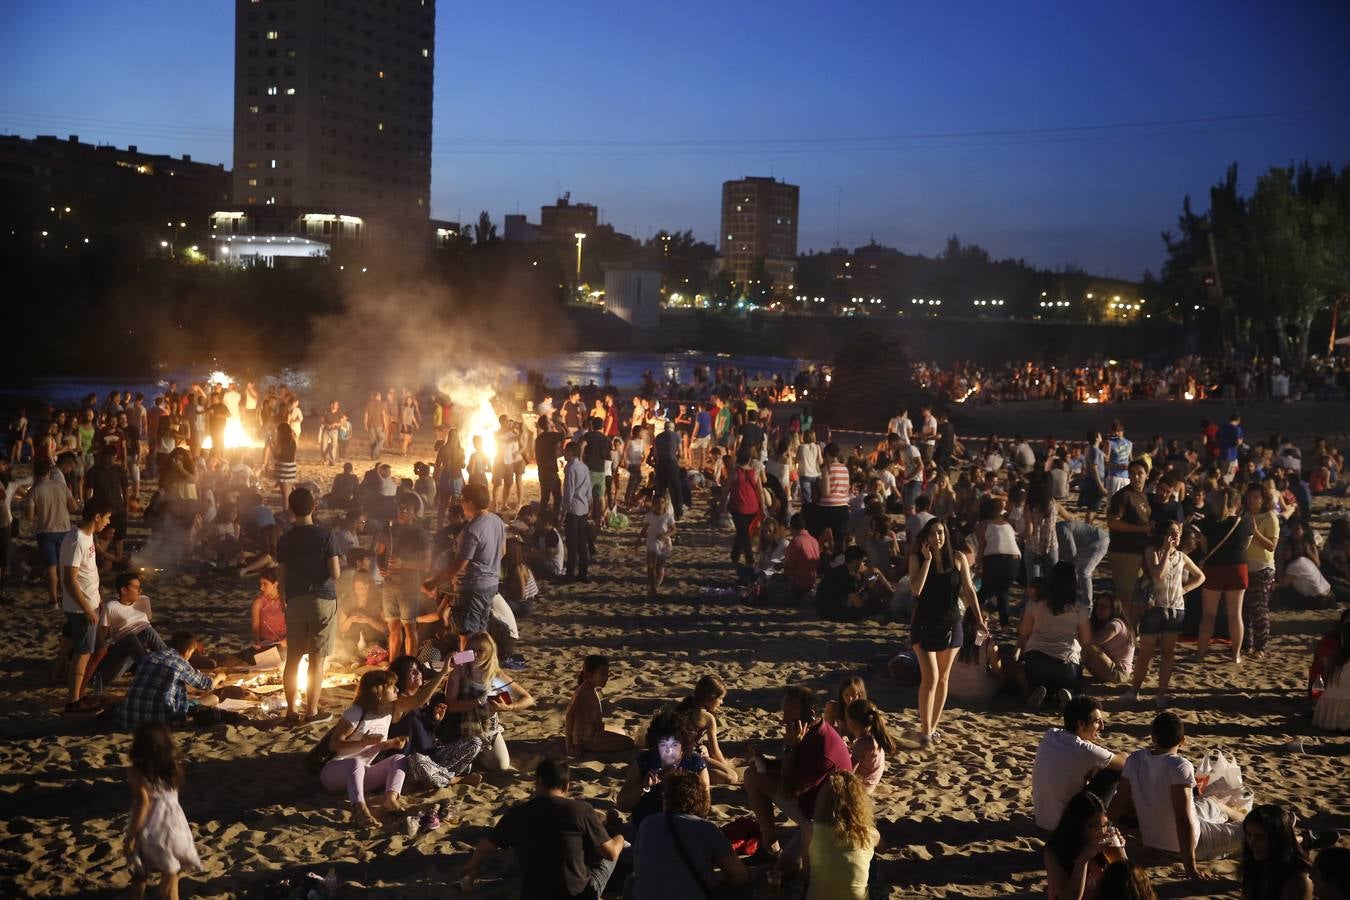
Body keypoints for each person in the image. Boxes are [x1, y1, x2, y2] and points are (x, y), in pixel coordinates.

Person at [458, 759, 624, 898]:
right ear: (566, 787)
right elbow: (610, 853)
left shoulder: (518, 813)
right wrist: (620, 839)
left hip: (534, 894)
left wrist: (473, 866)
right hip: (578, 895)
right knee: (607, 856)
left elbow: (484, 848)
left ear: (537, 783)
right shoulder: (581, 810)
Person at [1107, 712, 1245, 878]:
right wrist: (1190, 867)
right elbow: (1183, 819)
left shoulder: (1135, 759)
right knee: (1254, 829)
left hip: (1154, 840)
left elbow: (1119, 802)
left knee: (1210, 801)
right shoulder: (1179, 766)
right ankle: (1244, 821)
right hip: (1188, 844)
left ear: (1153, 737)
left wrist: (1104, 833)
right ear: (1183, 741)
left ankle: (1241, 816)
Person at [322, 665, 444, 827]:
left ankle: (391, 799)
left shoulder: (389, 711)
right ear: (378, 692)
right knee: (355, 763)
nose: (396, 689)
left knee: (400, 759)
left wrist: (390, 744)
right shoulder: (356, 712)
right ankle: (360, 810)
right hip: (334, 774)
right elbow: (334, 744)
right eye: (391, 686)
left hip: (362, 773)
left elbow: (419, 699)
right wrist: (363, 742)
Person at [741, 685, 853, 860]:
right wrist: (768, 764)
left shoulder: (823, 749)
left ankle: (770, 848)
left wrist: (788, 749)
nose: (784, 719)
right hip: (811, 801)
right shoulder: (813, 731)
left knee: (752, 778)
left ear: (810, 715)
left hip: (823, 820)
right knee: (754, 772)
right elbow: (795, 767)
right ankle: (770, 846)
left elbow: (789, 791)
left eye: (789, 714)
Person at [908, 518, 984, 745]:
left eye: (940, 533)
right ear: (925, 537)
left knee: (942, 679)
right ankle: (924, 730)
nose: (937, 538)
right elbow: (916, 590)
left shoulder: (959, 559)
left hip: (952, 624)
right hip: (923, 625)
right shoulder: (917, 558)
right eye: (932, 534)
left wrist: (979, 619)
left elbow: (970, 591)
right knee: (929, 677)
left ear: (946, 535)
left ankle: (932, 728)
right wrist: (928, 560)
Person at [275, 487, 342, 723]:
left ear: (291, 509)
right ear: (314, 507)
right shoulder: (325, 535)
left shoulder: (284, 539)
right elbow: (335, 573)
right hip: (321, 600)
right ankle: (312, 711)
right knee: (316, 658)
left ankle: (291, 711)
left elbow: (281, 577)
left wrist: (284, 602)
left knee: (293, 657)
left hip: (294, 601)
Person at [1122, 520, 1205, 709]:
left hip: (1175, 609)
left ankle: (1160, 694)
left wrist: (1185, 589)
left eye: (1178, 533)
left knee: (1168, 653)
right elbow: (1158, 575)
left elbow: (1200, 576)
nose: (1176, 536)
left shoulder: (1182, 557)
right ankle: (1134, 691)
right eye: (1172, 532)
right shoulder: (1153, 552)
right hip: (1154, 608)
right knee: (1146, 653)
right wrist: (1167, 551)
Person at [631, 769, 751, 900]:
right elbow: (739, 876)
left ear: (666, 798)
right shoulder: (706, 829)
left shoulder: (648, 823)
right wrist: (717, 877)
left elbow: (639, 868)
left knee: (629, 883)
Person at [123, 722, 202, 900]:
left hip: (152, 828)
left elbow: (144, 803)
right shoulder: (173, 767)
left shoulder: (137, 772)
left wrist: (132, 835)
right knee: (171, 877)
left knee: (140, 875)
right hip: (175, 827)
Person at [424, 483, 505, 652]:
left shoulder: (472, 529)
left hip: (471, 589)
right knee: (480, 633)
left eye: (463, 500)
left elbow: (459, 565)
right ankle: (480, 668)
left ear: (470, 503)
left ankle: (465, 668)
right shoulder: (496, 521)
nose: (461, 504)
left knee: (466, 636)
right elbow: (503, 551)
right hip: (490, 585)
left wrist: (434, 583)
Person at [442, 631, 534, 771]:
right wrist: (477, 702)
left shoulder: (495, 675)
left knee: (501, 765)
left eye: (481, 651)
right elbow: (451, 706)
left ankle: (479, 756)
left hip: (489, 728)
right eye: (471, 650)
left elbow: (528, 699)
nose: (476, 654)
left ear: (490, 653)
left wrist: (509, 707)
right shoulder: (460, 672)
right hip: (464, 728)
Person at [1032, 697, 1127, 831]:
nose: (1102, 726)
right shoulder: (1085, 750)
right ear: (1081, 724)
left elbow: (1085, 747)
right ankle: (1108, 821)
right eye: (1097, 722)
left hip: (1043, 821)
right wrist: (1119, 755)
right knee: (1114, 771)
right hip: (1067, 828)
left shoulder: (1051, 734)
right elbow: (1125, 763)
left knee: (1103, 765)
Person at [60, 499, 115, 712]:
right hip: (80, 609)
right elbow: (69, 580)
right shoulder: (76, 540)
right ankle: (73, 701)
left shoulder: (87, 536)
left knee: (99, 649)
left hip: (90, 604)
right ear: (97, 517)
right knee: (82, 653)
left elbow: (88, 570)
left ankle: (80, 694)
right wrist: (87, 608)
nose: (108, 522)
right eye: (107, 518)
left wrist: (97, 599)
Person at [617, 707, 712, 830]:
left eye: (674, 745)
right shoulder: (646, 761)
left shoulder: (694, 764)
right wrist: (643, 786)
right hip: (647, 827)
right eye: (663, 744)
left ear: (684, 744)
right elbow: (622, 805)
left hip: (683, 828)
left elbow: (705, 808)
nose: (668, 750)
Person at [108, 632, 226, 729]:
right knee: (213, 699)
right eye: (191, 653)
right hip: (160, 721)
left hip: (129, 718)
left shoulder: (150, 657)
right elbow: (206, 684)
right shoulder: (180, 663)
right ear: (187, 651)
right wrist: (220, 676)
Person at [1019, 562, 1093, 709]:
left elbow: (1024, 631)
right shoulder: (1079, 608)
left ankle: (1037, 691)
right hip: (1065, 663)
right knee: (1076, 686)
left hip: (1036, 661)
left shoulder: (1035, 603)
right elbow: (1087, 639)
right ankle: (1067, 693)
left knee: (1036, 682)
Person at [801, 770, 879, 900]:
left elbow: (806, 872)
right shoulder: (870, 833)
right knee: (871, 854)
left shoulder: (809, 829)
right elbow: (884, 847)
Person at [1197, 485, 1253, 664]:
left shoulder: (1208, 521)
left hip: (1214, 568)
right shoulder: (1245, 521)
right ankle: (1235, 655)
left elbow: (1204, 547)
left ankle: (1200, 654)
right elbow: (1246, 546)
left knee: (1208, 614)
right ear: (1237, 503)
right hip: (1237, 567)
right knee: (1235, 614)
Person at [376, 495, 431, 659]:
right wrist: (381, 567)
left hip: (409, 586)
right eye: (401, 507)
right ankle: (393, 664)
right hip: (389, 585)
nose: (403, 511)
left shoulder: (419, 534)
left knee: (409, 626)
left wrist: (403, 563)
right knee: (393, 626)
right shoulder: (388, 531)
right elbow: (379, 552)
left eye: (407, 509)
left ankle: (410, 664)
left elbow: (425, 562)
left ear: (414, 513)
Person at [1044, 791, 1125, 900]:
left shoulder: (1103, 848)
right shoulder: (1054, 851)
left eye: (1104, 825)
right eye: (1092, 825)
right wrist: (1082, 861)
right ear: (1077, 826)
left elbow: (1126, 880)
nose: (1101, 831)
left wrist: (1121, 850)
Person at [1106, 461, 1152, 634]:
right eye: (1132, 473)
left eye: (1140, 473)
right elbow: (1112, 522)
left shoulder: (1143, 496)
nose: (1136, 476)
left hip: (1140, 552)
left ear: (1147, 475)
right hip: (1123, 551)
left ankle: (1133, 630)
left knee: (1137, 596)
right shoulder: (1123, 496)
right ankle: (1127, 634)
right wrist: (1141, 529)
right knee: (1126, 597)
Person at [26, 458, 78, 608]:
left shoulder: (34, 490)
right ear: (49, 472)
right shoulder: (61, 486)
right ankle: (69, 596)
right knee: (65, 565)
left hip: (46, 531)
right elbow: (73, 507)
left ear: (35, 473)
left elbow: (29, 516)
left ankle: (53, 600)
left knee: (51, 567)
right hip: (64, 530)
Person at [675, 674, 740, 786]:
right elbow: (715, 751)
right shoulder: (707, 718)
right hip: (690, 758)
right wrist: (726, 765)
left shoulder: (683, 708)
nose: (721, 702)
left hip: (672, 756)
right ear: (712, 697)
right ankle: (692, 774)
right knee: (732, 777)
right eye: (720, 698)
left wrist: (702, 747)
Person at [563, 654, 634, 756]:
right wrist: (569, 746)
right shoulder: (583, 692)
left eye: (607, 674)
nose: (606, 678)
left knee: (621, 731)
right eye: (602, 674)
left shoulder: (591, 689)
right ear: (590, 675)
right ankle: (589, 747)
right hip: (590, 737)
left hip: (596, 731)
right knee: (628, 743)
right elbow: (569, 716)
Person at [1241, 804, 1314, 900]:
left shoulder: (1298, 881)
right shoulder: (1255, 863)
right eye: (1248, 834)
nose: (1252, 843)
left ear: (1279, 839)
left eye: (1261, 837)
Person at [1243, 483, 1281, 660]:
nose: (1252, 500)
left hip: (1263, 568)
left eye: (1256, 497)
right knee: (1245, 609)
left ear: (1263, 499)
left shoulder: (1270, 517)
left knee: (1259, 608)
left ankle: (1261, 647)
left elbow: (1272, 546)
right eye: (1250, 497)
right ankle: (1247, 644)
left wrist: (1256, 532)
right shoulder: (1245, 515)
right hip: (1244, 567)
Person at [976, 496, 1022, 626]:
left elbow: (982, 548)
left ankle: (971, 615)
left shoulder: (982, 525)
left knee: (987, 590)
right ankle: (1004, 624)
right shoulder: (1007, 525)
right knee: (1002, 591)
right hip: (1014, 558)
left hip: (994, 558)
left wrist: (979, 566)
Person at [843, 699, 894, 794]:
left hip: (862, 787)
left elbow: (849, 771)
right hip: (872, 784)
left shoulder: (863, 743)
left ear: (852, 723)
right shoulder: (874, 736)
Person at [1082, 593, 1134, 685]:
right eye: (1097, 605)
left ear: (1114, 608)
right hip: (1108, 669)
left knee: (1087, 645)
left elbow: (1094, 640)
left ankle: (1072, 673)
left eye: (1104, 606)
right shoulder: (1104, 623)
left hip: (1118, 674)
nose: (1099, 609)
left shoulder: (1116, 625)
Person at [561, 444, 593, 582]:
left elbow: (569, 491)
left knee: (572, 542)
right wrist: (589, 503)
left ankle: (569, 574)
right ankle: (583, 572)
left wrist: (564, 509)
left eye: (566, 452)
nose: (564, 454)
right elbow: (588, 487)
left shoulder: (571, 468)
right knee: (581, 542)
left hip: (574, 509)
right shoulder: (584, 467)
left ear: (570, 453)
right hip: (583, 507)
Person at [639, 492, 676, 597]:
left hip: (664, 544)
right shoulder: (649, 515)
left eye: (662, 502)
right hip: (652, 541)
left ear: (665, 504)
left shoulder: (668, 516)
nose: (660, 504)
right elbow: (644, 529)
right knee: (650, 566)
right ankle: (653, 587)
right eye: (658, 502)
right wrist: (638, 540)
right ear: (653, 504)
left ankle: (656, 585)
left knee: (659, 567)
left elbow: (674, 530)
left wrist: (666, 534)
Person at [248, 567, 287, 656]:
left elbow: (294, 625)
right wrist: (257, 641)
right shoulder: (258, 603)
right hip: (266, 645)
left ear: (275, 584)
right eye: (260, 584)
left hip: (284, 644)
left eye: (265, 584)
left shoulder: (285, 602)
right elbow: (255, 629)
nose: (261, 587)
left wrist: (287, 639)